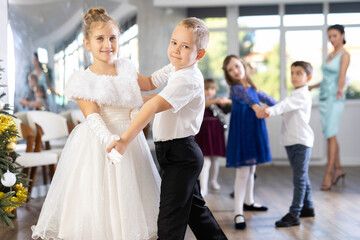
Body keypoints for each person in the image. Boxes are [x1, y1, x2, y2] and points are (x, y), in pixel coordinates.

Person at [31, 8, 161, 240]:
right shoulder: (82, 80)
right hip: (99, 141)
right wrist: (111, 141)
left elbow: (142, 93)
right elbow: (92, 116)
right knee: (97, 198)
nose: (107, 44)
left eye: (113, 38)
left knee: (129, 195)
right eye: (100, 38)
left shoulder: (127, 70)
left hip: (129, 137)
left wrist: (177, 73)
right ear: (87, 43)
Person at [108, 17, 228, 240]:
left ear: (199, 54)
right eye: (174, 42)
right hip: (175, 153)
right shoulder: (176, 67)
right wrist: (119, 65)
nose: (176, 50)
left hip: (181, 155)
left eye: (185, 46)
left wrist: (124, 140)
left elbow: (153, 104)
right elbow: (149, 84)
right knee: (196, 214)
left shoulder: (188, 79)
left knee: (169, 222)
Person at [222, 55, 276, 230]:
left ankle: (249, 201)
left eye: (237, 66)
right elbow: (250, 101)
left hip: (254, 129)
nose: (235, 71)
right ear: (228, 75)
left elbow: (266, 98)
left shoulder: (252, 86)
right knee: (244, 171)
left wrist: (281, 108)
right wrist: (258, 108)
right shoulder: (236, 89)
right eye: (231, 70)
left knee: (252, 168)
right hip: (243, 132)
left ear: (243, 65)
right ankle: (238, 211)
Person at [262, 61, 315, 227]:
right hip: (292, 141)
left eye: (299, 73)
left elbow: (284, 106)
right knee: (302, 175)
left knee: (299, 178)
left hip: (301, 142)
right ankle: (308, 207)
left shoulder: (302, 95)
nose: (294, 76)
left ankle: (294, 213)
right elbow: (285, 106)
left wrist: (269, 111)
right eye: (292, 73)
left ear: (309, 77)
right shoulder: (295, 93)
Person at [309, 24, 350, 190]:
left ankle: (328, 173)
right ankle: (338, 169)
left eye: (335, 36)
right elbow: (326, 78)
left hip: (335, 97)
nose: (332, 39)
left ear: (342, 35)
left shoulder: (344, 55)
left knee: (330, 134)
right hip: (324, 97)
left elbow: (341, 77)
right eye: (330, 36)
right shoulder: (330, 55)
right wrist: (313, 86)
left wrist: (340, 90)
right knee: (330, 134)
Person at [195, 78, 231, 197]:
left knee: (215, 159)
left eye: (212, 89)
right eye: (206, 89)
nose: (209, 91)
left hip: (216, 133)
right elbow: (204, 104)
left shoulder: (219, 104)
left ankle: (213, 180)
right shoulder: (199, 100)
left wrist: (226, 101)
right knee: (205, 161)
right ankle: (203, 187)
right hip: (203, 134)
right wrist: (217, 100)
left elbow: (228, 109)